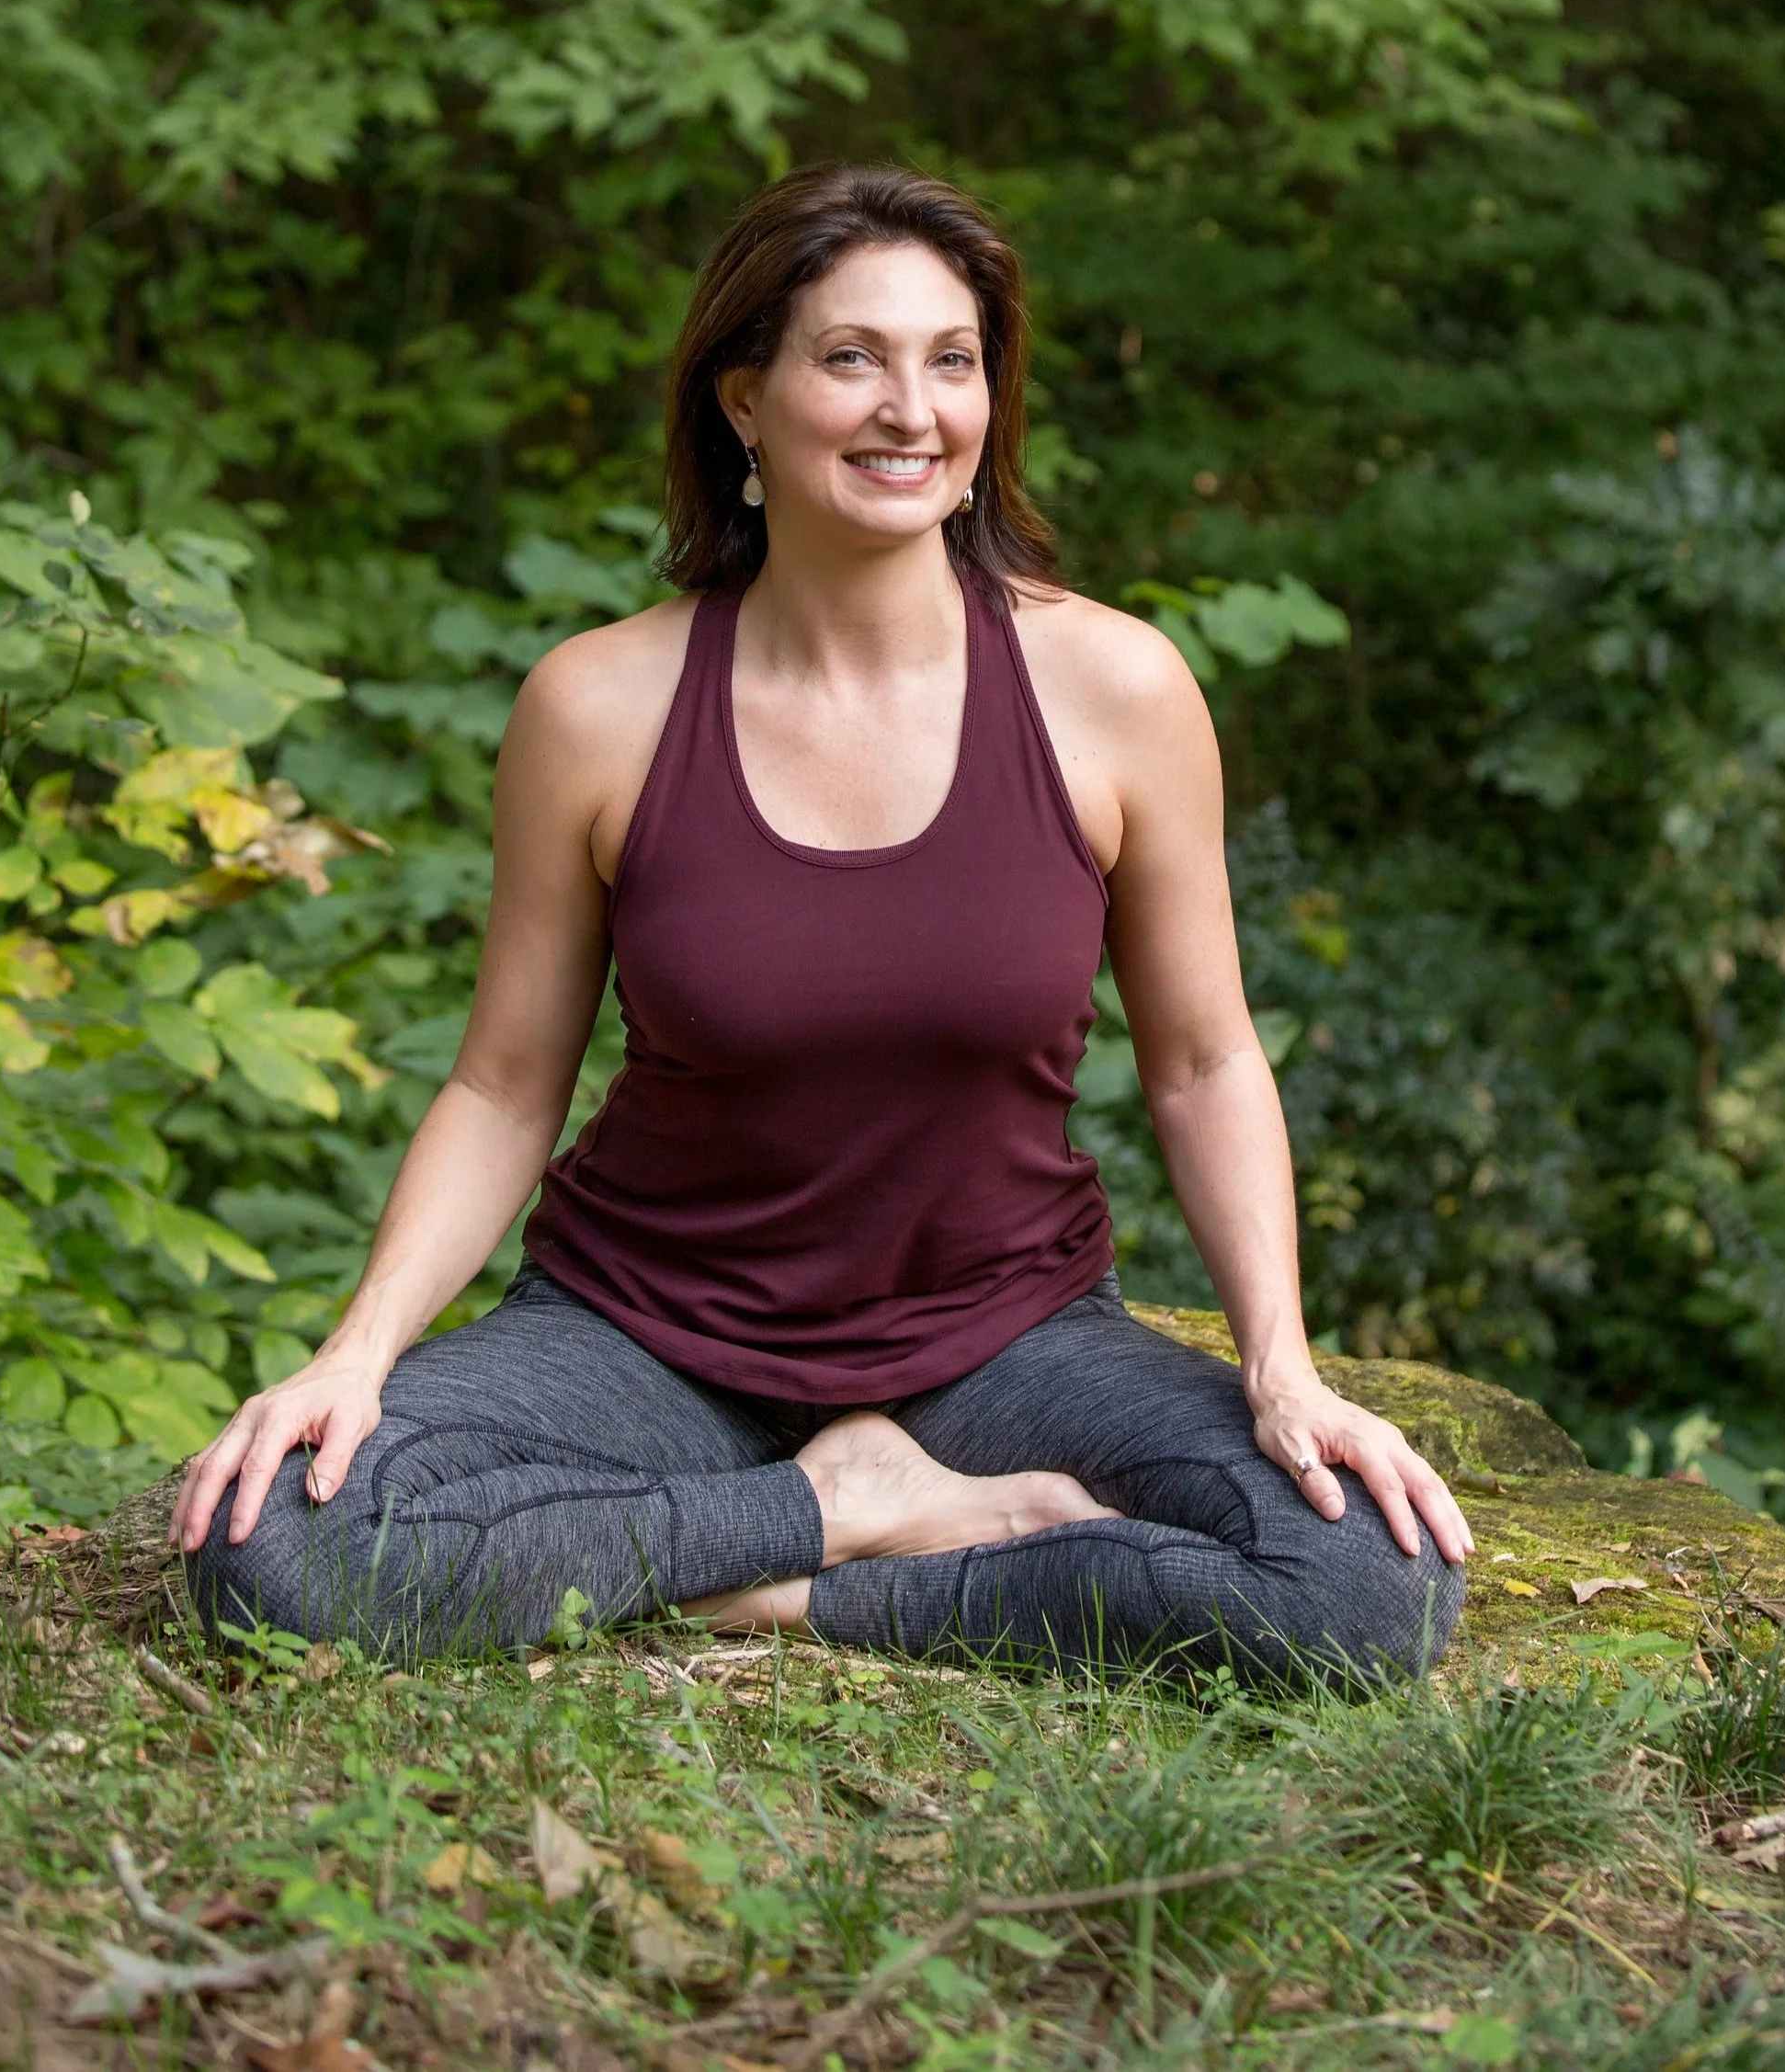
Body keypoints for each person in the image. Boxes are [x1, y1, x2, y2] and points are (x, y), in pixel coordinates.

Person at [175, 162, 1471, 1682]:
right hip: (645, 1333)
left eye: (951, 360)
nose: (907, 410)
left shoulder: (1112, 691)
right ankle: (830, 1503)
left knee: (1364, 1583)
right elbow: (502, 1083)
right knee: (276, 1551)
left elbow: (1198, 1060)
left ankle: (793, 1579)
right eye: (850, 357)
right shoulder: (597, 707)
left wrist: (1282, 1368)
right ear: (744, 399)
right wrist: (358, 1353)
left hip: (1006, 1339)